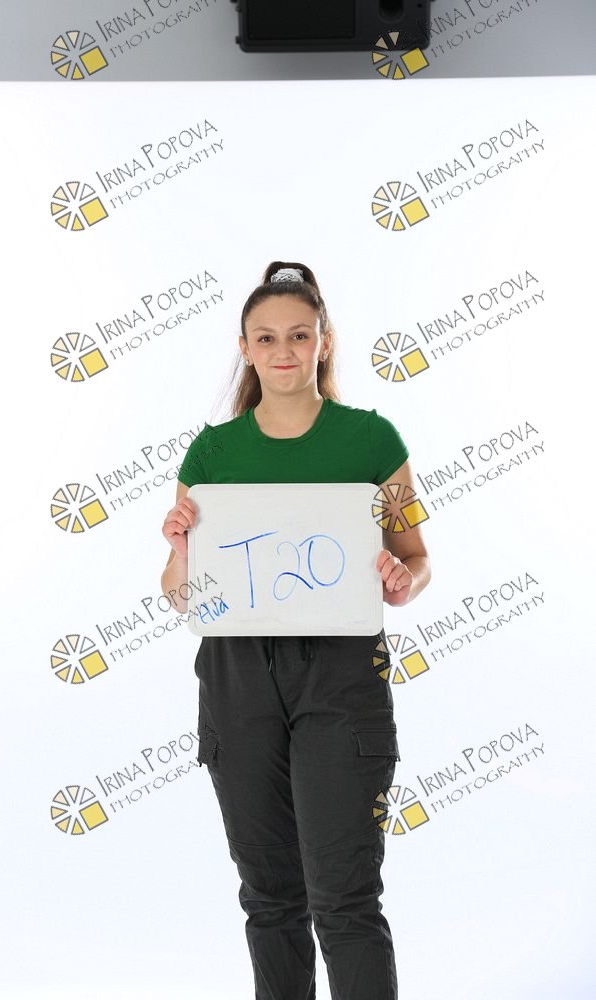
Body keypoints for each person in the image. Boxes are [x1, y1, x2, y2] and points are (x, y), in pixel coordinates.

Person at [160, 261, 431, 1000]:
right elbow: (180, 595)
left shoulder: (371, 440)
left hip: (342, 676)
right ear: (245, 348)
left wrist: (401, 580)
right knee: (269, 896)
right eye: (266, 337)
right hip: (237, 676)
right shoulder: (212, 453)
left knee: (344, 898)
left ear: (323, 342)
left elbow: (415, 559)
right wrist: (181, 550)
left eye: (299, 335)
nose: (283, 350)